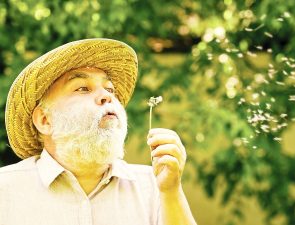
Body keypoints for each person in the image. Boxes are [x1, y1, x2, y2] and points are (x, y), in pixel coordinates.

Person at [0, 38, 197, 225]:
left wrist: (171, 191)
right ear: (45, 120)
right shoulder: (5, 190)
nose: (106, 96)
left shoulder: (156, 186)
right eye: (83, 88)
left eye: (110, 89)